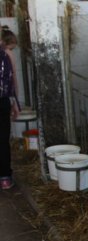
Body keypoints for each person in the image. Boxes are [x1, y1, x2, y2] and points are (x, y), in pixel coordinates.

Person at [0, 27, 19, 190]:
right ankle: (5, 178)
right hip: (2, 101)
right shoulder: (6, 54)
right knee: (2, 139)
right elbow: (12, 80)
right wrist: (15, 103)